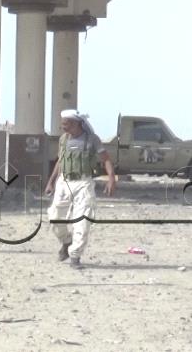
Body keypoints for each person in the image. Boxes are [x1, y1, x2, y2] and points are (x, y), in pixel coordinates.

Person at [45, 109, 117, 269]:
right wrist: (51, 182)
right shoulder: (63, 139)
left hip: (83, 183)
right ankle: (66, 242)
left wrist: (111, 178)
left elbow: (106, 159)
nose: (62, 126)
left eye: (66, 123)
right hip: (64, 182)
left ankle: (75, 256)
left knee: (82, 221)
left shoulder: (92, 140)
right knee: (55, 217)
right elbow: (60, 161)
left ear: (76, 123)